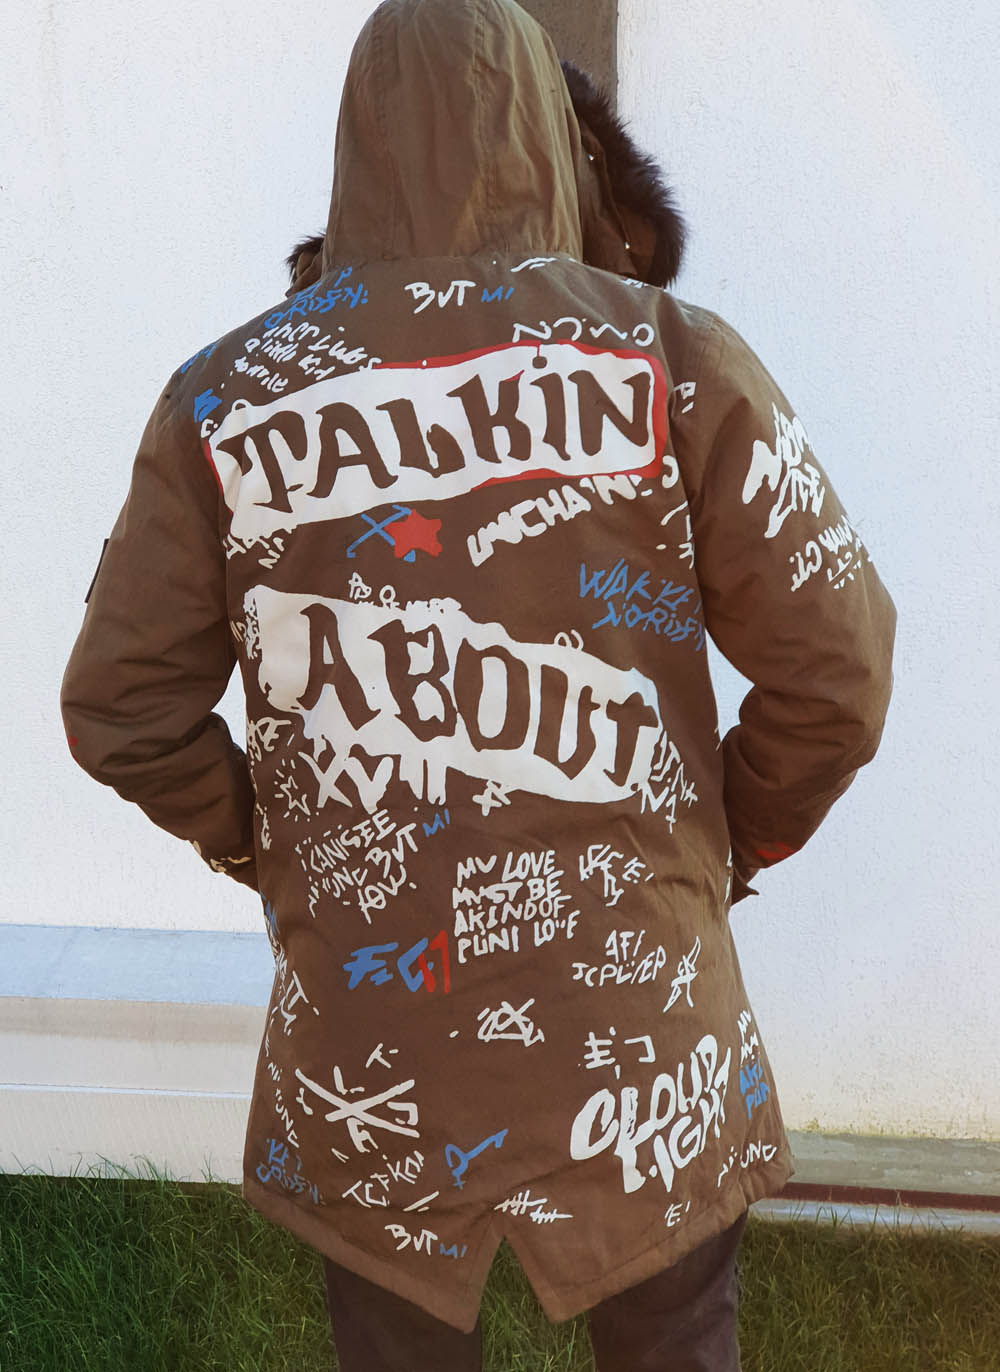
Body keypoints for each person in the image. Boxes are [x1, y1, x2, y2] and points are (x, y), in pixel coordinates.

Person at [60, 1, 897, 1367]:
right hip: (642, 1028)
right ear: (557, 140)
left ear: (358, 143)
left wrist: (266, 844)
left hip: (373, 1037)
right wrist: (729, 845)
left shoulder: (222, 398)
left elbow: (121, 707)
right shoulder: (679, 359)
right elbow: (840, 674)